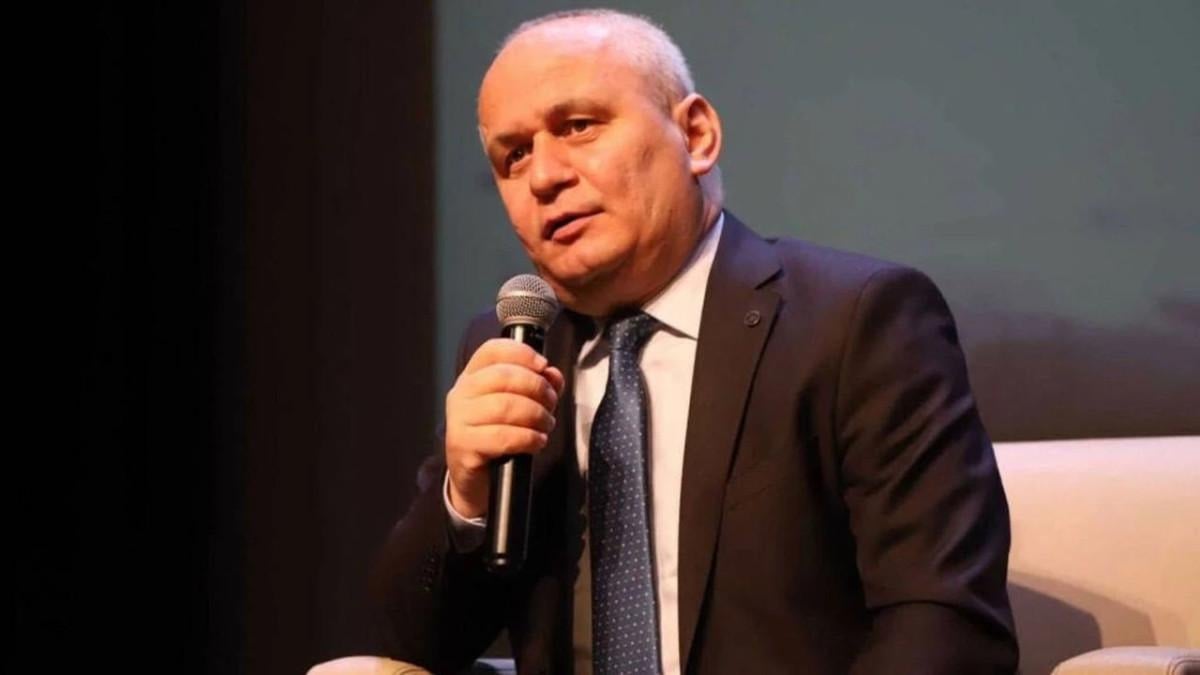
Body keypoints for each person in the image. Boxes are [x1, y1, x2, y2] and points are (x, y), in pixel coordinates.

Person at [371, 9, 1017, 674]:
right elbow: (414, 647)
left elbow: (946, 622)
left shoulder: (854, 322)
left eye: (578, 126)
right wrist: (466, 500)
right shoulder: (512, 350)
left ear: (696, 134)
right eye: (514, 156)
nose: (543, 176)